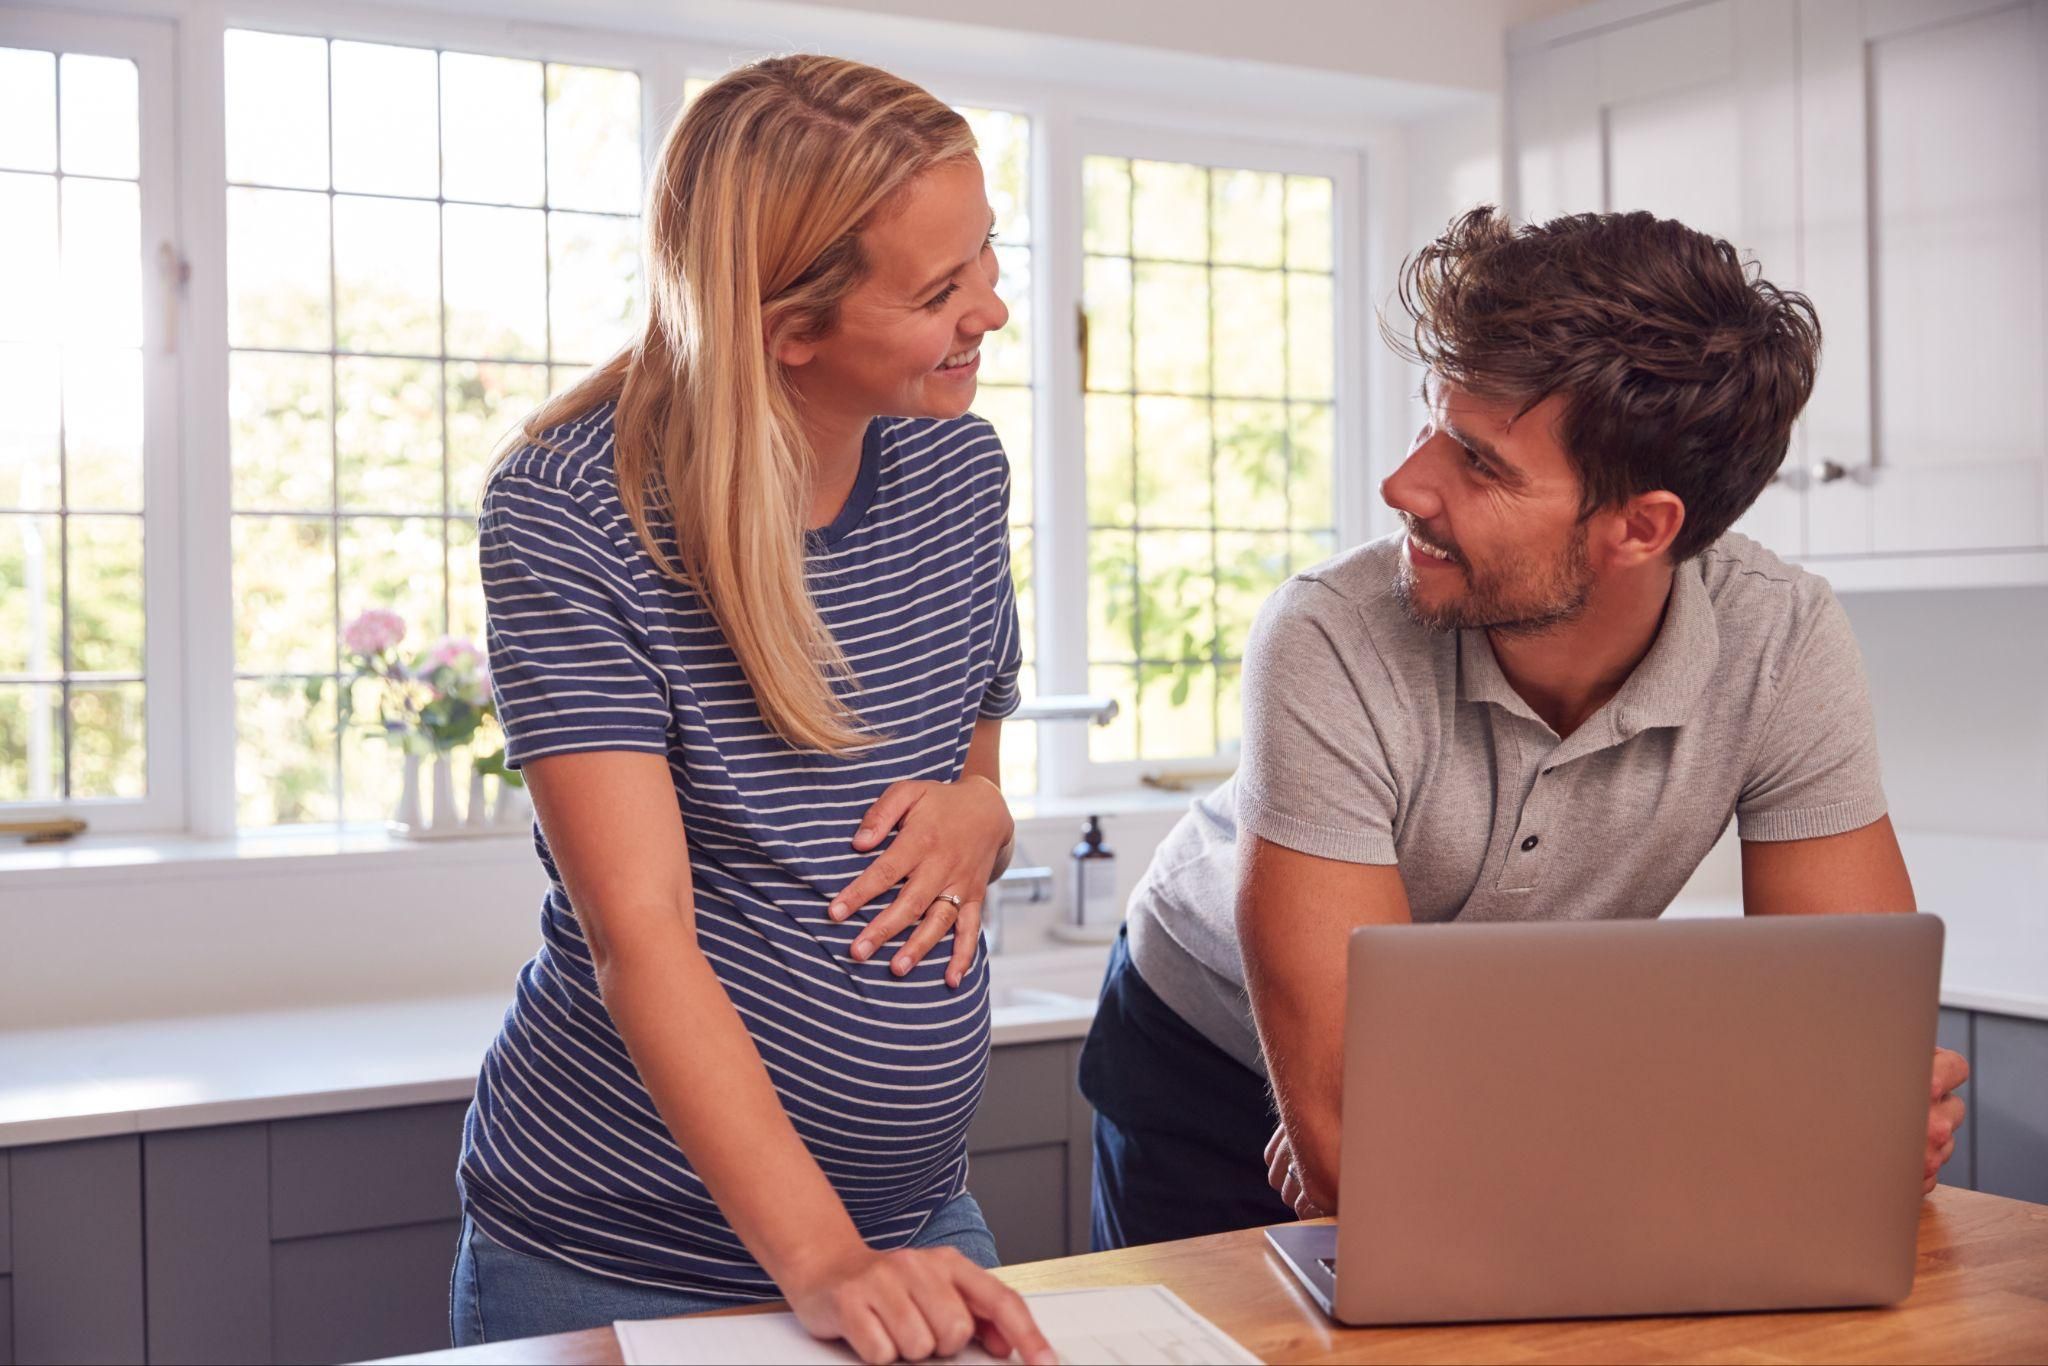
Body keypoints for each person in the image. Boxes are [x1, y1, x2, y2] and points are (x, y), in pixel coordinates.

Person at [1079, 206, 1971, 1251]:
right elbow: (1348, 1143)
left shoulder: (1780, 637)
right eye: (1431, 423)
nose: (1402, 485)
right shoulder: (1326, 634)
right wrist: (1742, 1118)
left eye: (1477, 460)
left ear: (1639, 527)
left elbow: (1850, 1070)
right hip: (1209, 1059)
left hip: (1510, 1075)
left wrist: (1823, 1111)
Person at [449, 54, 1053, 1365]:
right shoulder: (573, 506)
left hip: (912, 1220)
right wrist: (823, 1262)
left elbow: (973, 771)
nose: (994, 311)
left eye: (987, 257)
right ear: (790, 327)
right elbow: (640, 931)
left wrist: (984, 811)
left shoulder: (957, 462)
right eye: (941, 291)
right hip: (621, 1249)